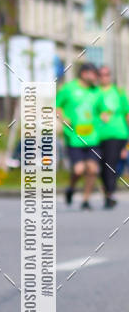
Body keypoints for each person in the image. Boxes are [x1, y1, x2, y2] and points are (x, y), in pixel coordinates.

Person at [56, 62, 100, 210]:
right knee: (79, 169)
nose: (96, 77)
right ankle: (71, 188)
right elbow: (56, 106)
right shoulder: (69, 89)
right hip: (74, 138)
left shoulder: (96, 91)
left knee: (93, 169)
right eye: (93, 73)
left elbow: (102, 109)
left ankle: (86, 200)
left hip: (93, 138)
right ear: (84, 73)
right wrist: (63, 118)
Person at [94, 66, 129, 208]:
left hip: (116, 134)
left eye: (107, 74)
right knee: (100, 166)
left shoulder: (118, 93)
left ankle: (110, 194)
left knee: (110, 164)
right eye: (101, 75)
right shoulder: (93, 93)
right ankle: (108, 192)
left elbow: (127, 114)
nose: (104, 77)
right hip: (96, 135)